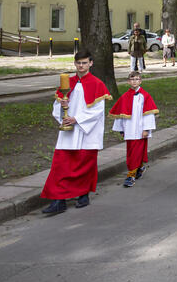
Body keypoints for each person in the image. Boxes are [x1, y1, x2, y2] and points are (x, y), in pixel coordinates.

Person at [40, 50, 112, 215]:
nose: (81, 66)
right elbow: (56, 107)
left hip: (86, 131)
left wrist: (77, 119)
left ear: (91, 63)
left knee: (84, 165)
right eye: (79, 63)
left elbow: (97, 111)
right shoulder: (67, 83)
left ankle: (83, 195)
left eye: (85, 63)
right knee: (61, 166)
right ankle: (58, 201)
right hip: (68, 131)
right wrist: (62, 108)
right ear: (75, 64)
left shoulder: (97, 84)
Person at [109, 71, 158, 187]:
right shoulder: (125, 97)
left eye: (136, 79)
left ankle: (131, 175)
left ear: (140, 81)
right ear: (128, 81)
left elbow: (149, 114)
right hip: (129, 129)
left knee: (136, 151)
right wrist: (121, 128)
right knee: (131, 151)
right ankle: (139, 168)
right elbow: (120, 113)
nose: (134, 81)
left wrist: (147, 129)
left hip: (140, 130)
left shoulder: (145, 96)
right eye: (132, 79)